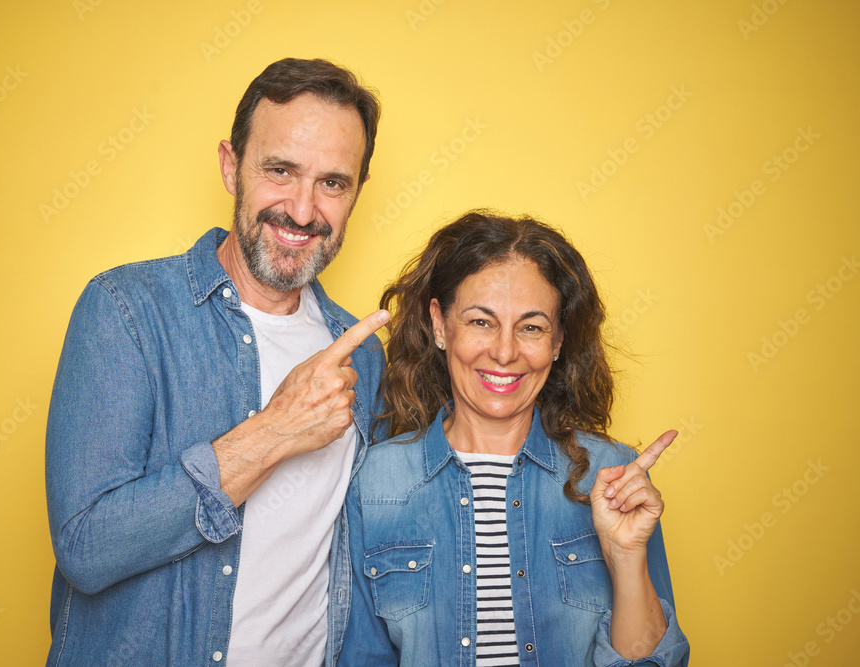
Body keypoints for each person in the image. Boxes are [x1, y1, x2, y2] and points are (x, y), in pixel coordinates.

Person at [44, 58, 390, 666]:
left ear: (358, 190)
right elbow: (87, 549)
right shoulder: (127, 312)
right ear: (232, 167)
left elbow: (363, 564)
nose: (304, 211)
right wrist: (276, 431)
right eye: (280, 171)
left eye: (333, 183)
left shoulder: (362, 356)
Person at [339, 210, 690, 666]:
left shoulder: (615, 475)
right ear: (440, 325)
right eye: (481, 322)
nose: (505, 353)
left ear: (559, 340)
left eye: (531, 327)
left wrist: (625, 557)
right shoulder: (374, 482)